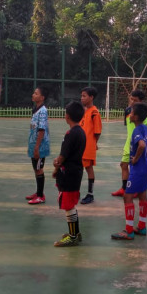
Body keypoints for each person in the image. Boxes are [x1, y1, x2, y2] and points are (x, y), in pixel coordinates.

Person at [111, 103, 147, 240]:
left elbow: (142, 145)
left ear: (136, 117)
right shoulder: (146, 128)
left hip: (138, 169)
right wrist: (146, 153)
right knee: (143, 195)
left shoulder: (137, 130)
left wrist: (136, 158)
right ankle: (142, 227)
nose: (129, 115)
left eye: (131, 113)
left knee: (128, 196)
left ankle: (129, 230)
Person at [52, 101, 87, 247]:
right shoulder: (81, 131)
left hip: (69, 173)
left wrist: (56, 164)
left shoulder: (71, 134)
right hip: (76, 171)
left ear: (67, 116)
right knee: (71, 204)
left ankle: (72, 236)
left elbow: (63, 156)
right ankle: (75, 233)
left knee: (68, 205)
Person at [111, 90, 147, 196]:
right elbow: (129, 128)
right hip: (129, 144)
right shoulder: (128, 111)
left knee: (135, 168)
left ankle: (135, 190)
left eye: (135, 100)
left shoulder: (143, 117)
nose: (132, 102)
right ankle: (124, 188)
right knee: (123, 165)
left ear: (141, 101)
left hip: (137, 145)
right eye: (131, 99)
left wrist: (145, 148)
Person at [26, 87, 50, 204]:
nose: (33, 95)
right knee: (36, 169)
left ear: (42, 97)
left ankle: (40, 196)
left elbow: (41, 130)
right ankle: (38, 192)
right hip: (33, 144)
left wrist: (37, 148)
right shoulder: (35, 109)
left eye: (36, 93)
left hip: (39, 146)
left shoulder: (43, 111)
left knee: (39, 169)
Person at [79, 86, 102, 204]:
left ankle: (90, 194)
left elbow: (97, 132)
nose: (81, 98)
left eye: (84, 96)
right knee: (78, 167)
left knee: (88, 168)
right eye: (81, 95)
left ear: (91, 97)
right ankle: (75, 191)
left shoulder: (94, 112)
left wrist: (93, 143)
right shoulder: (84, 111)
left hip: (88, 146)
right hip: (80, 146)